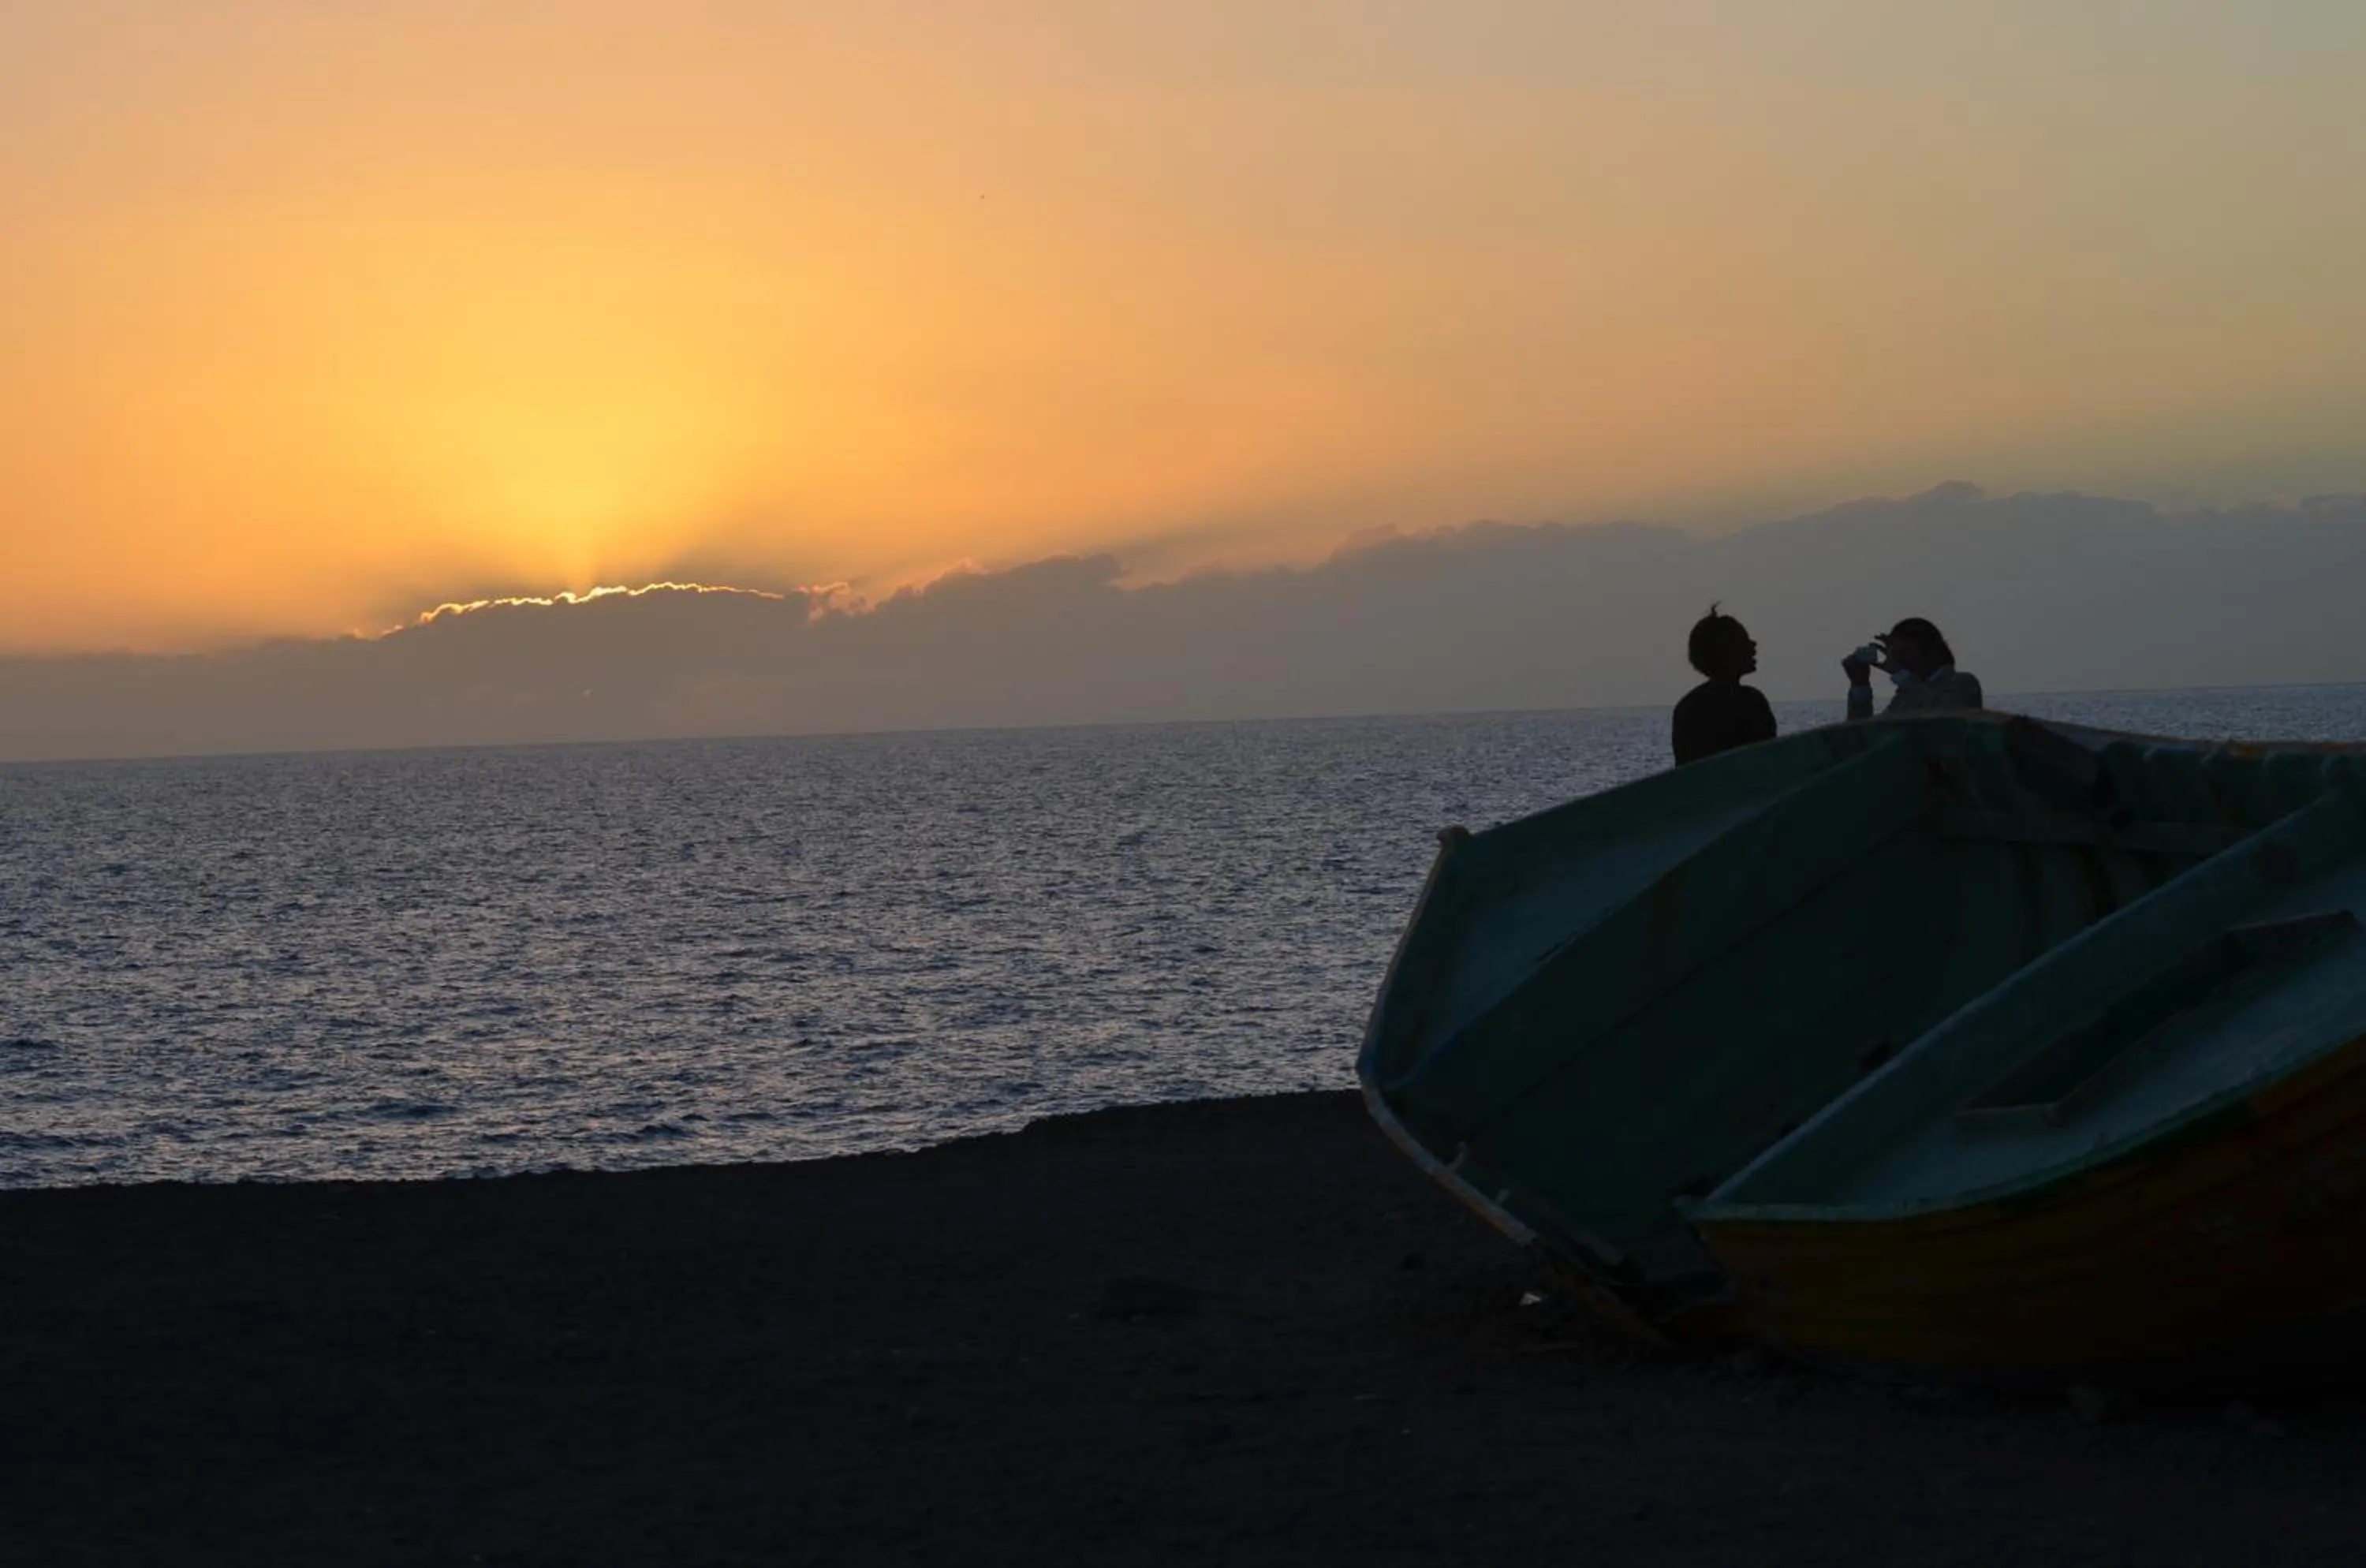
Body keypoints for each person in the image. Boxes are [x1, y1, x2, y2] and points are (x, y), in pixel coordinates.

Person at [1672, 603, 1777, 765]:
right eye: (1743, 640)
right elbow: (1768, 763)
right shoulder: (1751, 702)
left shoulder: (1686, 707)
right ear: (1727, 651)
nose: (1753, 645)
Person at [1842, 617, 1983, 721]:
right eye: (1893, 654)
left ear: (1932, 652)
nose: (1897, 660)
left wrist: (1901, 675)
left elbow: (1941, 717)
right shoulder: (1904, 698)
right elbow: (1866, 737)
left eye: (1904, 653)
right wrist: (1860, 687)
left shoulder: (1964, 684)